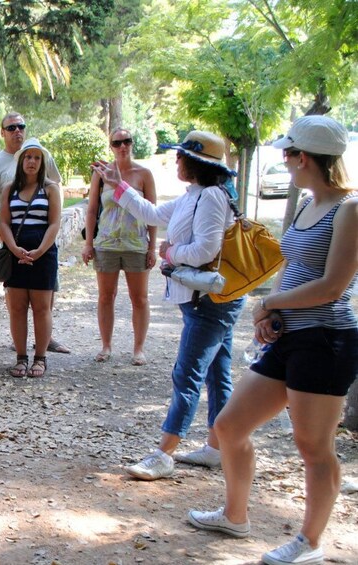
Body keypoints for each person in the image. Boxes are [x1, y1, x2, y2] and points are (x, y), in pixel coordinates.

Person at [188, 116, 357, 565]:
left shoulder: (350, 209)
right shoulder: (307, 203)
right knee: (229, 426)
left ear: (305, 158)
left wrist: (269, 304)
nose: (284, 161)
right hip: (291, 335)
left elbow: (333, 287)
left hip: (328, 339)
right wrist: (275, 313)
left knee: (313, 446)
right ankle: (234, 515)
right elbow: (295, 266)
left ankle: (310, 542)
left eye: (288, 154)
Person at [91, 130, 246, 481]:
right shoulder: (196, 195)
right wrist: (118, 184)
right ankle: (216, 447)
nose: (175, 161)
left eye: (181, 156)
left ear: (195, 163)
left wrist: (170, 254)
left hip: (211, 301)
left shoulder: (210, 198)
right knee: (217, 372)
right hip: (212, 298)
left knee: (187, 373)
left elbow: (206, 250)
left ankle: (164, 453)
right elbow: (153, 213)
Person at [0, 113, 71, 354]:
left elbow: (54, 197)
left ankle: (44, 343)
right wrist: (2, 233)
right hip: (13, 244)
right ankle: (21, 349)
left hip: (42, 246)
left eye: (21, 126)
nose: (17, 131)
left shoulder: (41, 157)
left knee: (45, 300)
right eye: (11, 127)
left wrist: (40, 249)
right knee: (16, 304)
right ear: (2, 132)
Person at [81, 128, 157, 365]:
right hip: (106, 243)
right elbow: (92, 209)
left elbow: (153, 213)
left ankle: (138, 349)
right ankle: (106, 346)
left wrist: (152, 247)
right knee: (106, 297)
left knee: (139, 298)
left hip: (135, 244)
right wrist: (88, 243)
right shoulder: (102, 173)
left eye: (127, 141)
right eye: (117, 142)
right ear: (111, 146)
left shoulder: (144, 174)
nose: (122, 146)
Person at [0, 139, 62, 378]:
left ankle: (40, 358)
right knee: (17, 307)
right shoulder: (9, 188)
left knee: (42, 308)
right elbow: (4, 221)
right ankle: (21, 357)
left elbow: (54, 223)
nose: (32, 162)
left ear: (42, 161)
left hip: (43, 254)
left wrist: (40, 251)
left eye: (36, 157)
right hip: (15, 252)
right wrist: (13, 248)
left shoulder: (51, 188)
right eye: (27, 157)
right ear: (21, 160)